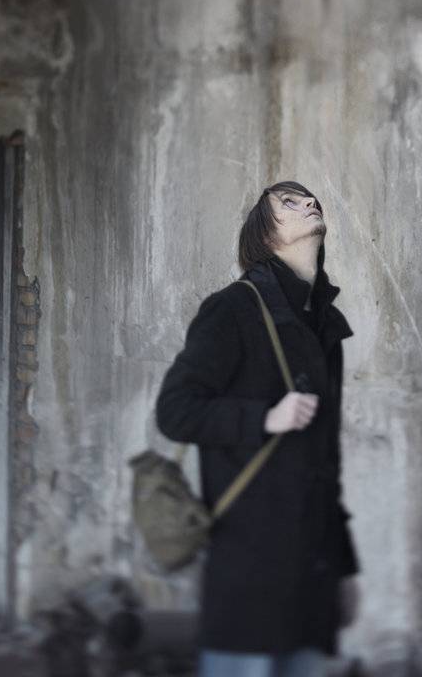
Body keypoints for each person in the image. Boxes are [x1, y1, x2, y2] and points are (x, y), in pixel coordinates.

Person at [155, 180, 361, 677]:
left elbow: (326, 461)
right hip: (250, 562)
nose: (309, 203)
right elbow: (175, 410)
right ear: (265, 235)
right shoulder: (233, 309)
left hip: (312, 569)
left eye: (311, 198)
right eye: (288, 202)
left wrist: (344, 567)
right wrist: (264, 417)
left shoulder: (324, 323)